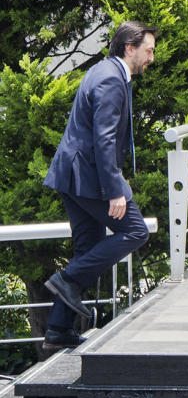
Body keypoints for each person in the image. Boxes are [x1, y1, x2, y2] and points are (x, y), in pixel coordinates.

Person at [41, 21, 156, 353]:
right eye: (148, 50)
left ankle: (58, 331)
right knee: (135, 231)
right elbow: (103, 139)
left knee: (87, 247)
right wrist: (115, 190)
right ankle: (67, 280)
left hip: (74, 176)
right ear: (129, 48)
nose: (151, 57)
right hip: (86, 178)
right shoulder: (110, 79)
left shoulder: (104, 71)